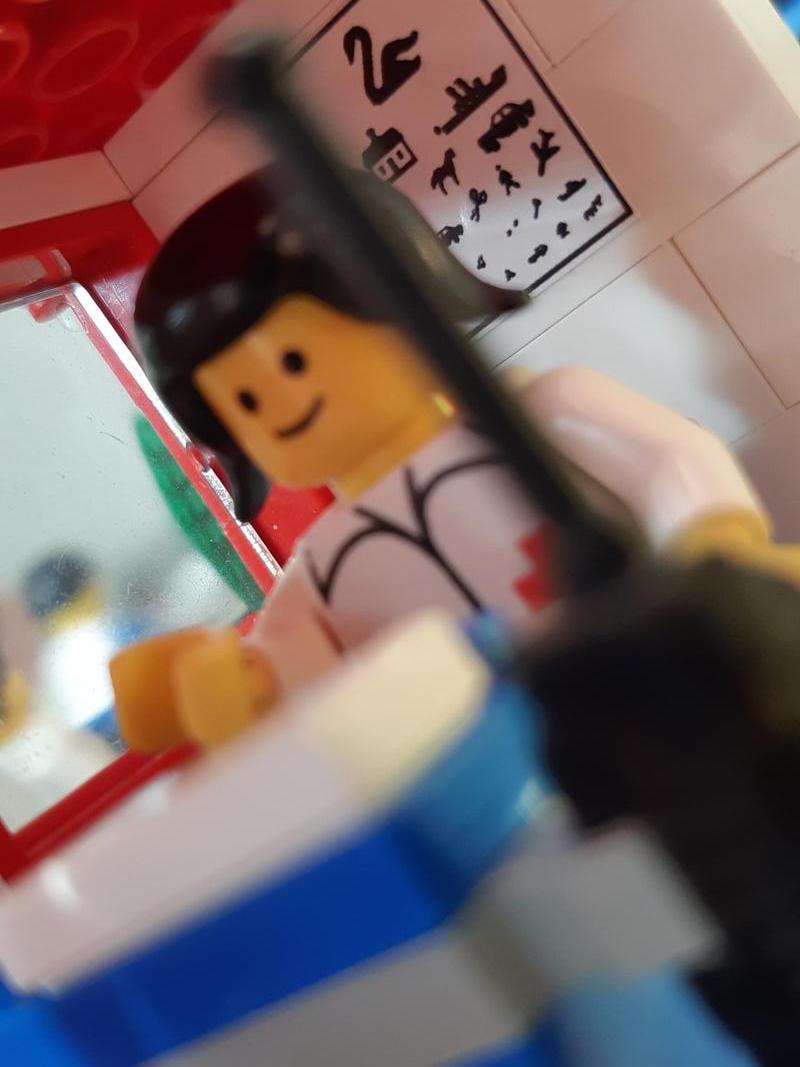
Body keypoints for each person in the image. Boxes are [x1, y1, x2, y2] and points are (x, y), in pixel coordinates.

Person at [111, 169, 782, 752]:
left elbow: (671, 464)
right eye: (247, 401)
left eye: (293, 360)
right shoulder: (323, 567)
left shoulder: (538, 414)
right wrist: (237, 685)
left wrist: (714, 543)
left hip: (674, 675)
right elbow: (291, 667)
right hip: (521, 769)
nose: (283, 404)